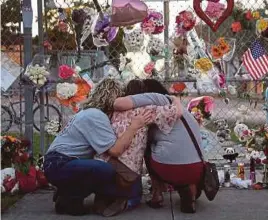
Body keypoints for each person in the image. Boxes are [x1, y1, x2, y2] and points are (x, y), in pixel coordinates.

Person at [43, 78, 152, 216]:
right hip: (60, 164)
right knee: (104, 170)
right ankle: (71, 197)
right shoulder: (96, 116)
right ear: (113, 99)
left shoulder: (89, 112)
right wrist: (134, 126)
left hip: (58, 163)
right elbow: (115, 150)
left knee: (107, 170)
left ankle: (68, 193)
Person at [114, 79, 204, 213]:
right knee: (176, 149)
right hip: (198, 168)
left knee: (148, 148)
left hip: (169, 167)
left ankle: (157, 195)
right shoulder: (176, 107)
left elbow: (118, 104)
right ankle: (188, 189)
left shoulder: (154, 100)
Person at [96, 79, 183, 209]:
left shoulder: (113, 111)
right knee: (136, 197)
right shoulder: (145, 110)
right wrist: (175, 99)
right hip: (126, 169)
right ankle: (126, 202)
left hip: (103, 161)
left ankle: (107, 196)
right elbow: (178, 112)